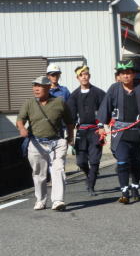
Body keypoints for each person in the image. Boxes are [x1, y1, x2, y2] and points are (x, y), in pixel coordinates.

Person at [97, 60, 140, 204]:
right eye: (123, 73)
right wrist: (100, 126)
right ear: (118, 76)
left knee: (136, 162)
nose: (126, 76)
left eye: (128, 73)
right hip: (120, 132)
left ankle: (135, 187)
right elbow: (105, 107)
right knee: (122, 161)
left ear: (133, 74)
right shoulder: (114, 89)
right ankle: (124, 191)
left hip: (138, 131)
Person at [16, 76, 74, 211]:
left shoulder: (59, 102)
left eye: (39, 86)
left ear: (48, 87)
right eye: (34, 86)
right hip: (36, 143)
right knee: (39, 173)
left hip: (57, 142)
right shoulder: (29, 103)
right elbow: (20, 120)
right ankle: (41, 200)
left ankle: (58, 200)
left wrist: (70, 137)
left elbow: (70, 122)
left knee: (58, 170)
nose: (36, 89)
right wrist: (22, 128)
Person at [67, 66, 106, 196]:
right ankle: (89, 174)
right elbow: (71, 118)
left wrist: (101, 127)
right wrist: (70, 135)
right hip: (81, 132)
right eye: (81, 75)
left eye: (86, 74)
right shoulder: (74, 96)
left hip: (95, 130)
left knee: (94, 161)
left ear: (89, 76)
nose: (84, 77)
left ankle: (91, 186)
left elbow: (104, 110)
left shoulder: (98, 93)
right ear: (77, 78)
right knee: (81, 161)